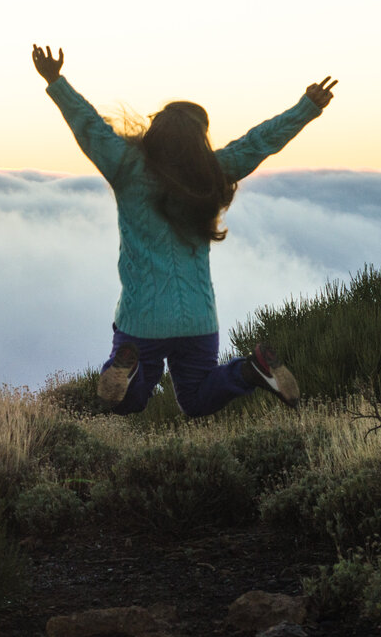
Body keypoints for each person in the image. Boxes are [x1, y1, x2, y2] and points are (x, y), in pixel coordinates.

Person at [31, 44, 336, 416]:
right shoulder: (213, 171)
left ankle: (128, 368)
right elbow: (259, 143)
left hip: (142, 318)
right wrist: (307, 107)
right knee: (195, 398)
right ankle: (251, 369)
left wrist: (56, 81)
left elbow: (91, 127)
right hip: (198, 317)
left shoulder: (128, 167)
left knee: (131, 402)